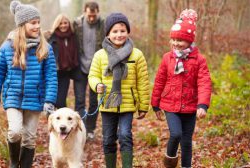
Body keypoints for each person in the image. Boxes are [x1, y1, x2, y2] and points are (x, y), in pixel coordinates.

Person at [0, 1, 57, 167]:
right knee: (15, 132)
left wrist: (49, 100)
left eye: (38, 22)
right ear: (22, 24)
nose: (37, 26)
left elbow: (51, 77)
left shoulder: (45, 47)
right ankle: (13, 162)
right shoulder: (7, 47)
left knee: (29, 137)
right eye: (33, 23)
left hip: (35, 98)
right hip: (12, 97)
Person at [151, 9, 212, 168]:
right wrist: (155, 103)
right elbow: (159, 81)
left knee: (186, 141)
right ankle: (170, 160)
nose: (176, 43)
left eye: (180, 40)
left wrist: (202, 105)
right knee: (176, 134)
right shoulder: (167, 58)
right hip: (171, 105)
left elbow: (204, 82)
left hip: (190, 106)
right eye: (174, 40)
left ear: (190, 41)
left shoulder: (199, 60)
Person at [88, 13, 150, 168]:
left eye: (122, 30)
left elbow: (142, 81)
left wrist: (143, 106)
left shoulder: (137, 55)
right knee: (108, 138)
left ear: (127, 32)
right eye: (115, 31)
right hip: (107, 103)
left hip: (127, 103)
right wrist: (97, 85)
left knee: (125, 135)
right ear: (108, 34)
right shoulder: (100, 55)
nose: (119, 34)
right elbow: (93, 76)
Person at [73, 1, 105, 139]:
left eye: (94, 15)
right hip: (80, 67)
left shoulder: (103, 24)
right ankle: (81, 129)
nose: (92, 18)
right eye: (89, 15)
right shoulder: (77, 24)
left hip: (96, 69)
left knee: (93, 102)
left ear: (98, 12)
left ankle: (90, 129)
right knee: (80, 100)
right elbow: (61, 32)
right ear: (85, 12)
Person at [44, 14, 79, 109]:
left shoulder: (72, 37)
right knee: (52, 100)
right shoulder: (51, 37)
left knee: (61, 100)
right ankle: (53, 120)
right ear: (57, 24)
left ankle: (63, 120)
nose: (63, 25)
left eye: (65, 23)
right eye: (61, 23)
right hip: (53, 73)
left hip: (65, 73)